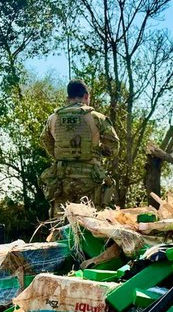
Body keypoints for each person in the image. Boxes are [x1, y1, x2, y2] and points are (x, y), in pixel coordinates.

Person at [40, 79, 119, 217]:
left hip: (61, 180)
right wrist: (99, 150)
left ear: (67, 98)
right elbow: (114, 147)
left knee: (61, 224)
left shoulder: (53, 119)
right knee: (91, 225)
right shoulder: (97, 118)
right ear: (86, 96)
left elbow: (45, 141)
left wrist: (62, 154)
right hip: (90, 181)